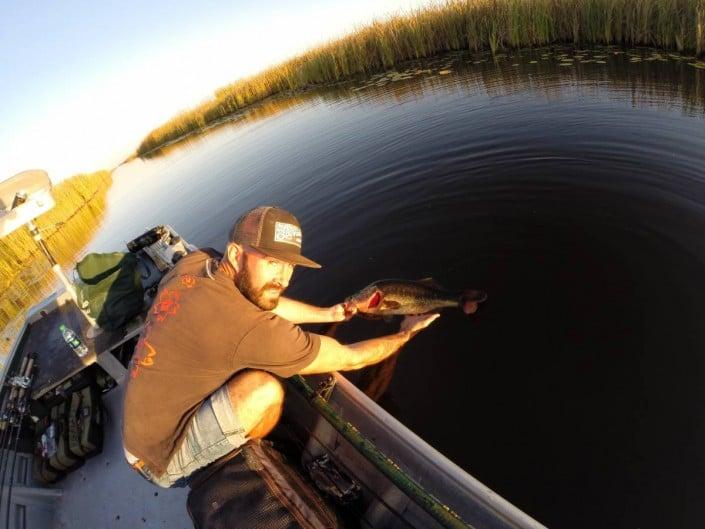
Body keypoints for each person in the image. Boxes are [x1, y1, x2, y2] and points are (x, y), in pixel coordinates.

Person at [122, 206, 439, 488]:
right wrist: (405, 333)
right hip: (159, 461)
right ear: (235, 254)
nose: (284, 278)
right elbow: (351, 358)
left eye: (290, 265)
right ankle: (242, 466)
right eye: (273, 262)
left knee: (249, 353)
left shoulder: (197, 262)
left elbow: (264, 301)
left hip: (142, 426)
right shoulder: (246, 328)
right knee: (264, 391)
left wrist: (328, 313)